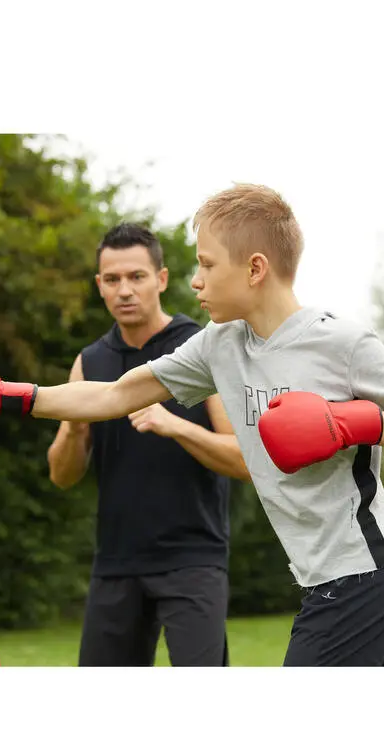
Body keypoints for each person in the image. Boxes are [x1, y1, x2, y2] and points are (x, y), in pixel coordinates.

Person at [0, 184, 384, 667]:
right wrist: (6, 396)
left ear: (255, 269)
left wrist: (345, 423)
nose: (195, 280)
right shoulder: (220, 343)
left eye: (206, 265)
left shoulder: (340, 342)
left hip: (367, 572)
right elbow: (118, 393)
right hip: (345, 572)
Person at [55, 222, 247, 666]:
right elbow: (62, 476)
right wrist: (73, 428)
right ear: (99, 286)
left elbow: (244, 459)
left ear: (160, 279)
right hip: (116, 564)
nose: (125, 290)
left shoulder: (199, 349)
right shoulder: (89, 362)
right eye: (112, 279)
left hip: (193, 561)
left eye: (136, 277)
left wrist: (176, 425)